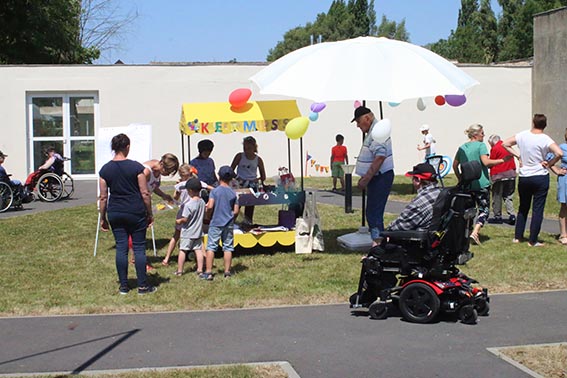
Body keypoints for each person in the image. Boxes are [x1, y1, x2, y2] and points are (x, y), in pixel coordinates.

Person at [98, 133, 156, 295]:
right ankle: (143, 285)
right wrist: (149, 213)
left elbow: (103, 196)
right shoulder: (136, 168)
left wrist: (103, 217)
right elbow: (145, 193)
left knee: (121, 248)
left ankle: (124, 285)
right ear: (127, 147)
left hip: (115, 211)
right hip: (135, 211)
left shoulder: (105, 169)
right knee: (138, 248)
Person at [503, 114, 563, 247]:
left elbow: (505, 143)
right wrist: (549, 162)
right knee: (537, 209)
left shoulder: (523, 135)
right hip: (540, 175)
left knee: (523, 207)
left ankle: (518, 237)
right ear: (545, 125)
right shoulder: (545, 138)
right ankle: (532, 240)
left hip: (525, 175)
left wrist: (518, 155)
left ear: (533, 123)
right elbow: (559, 153)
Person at [453, 124, 512, 245]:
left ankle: (465, 234)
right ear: (476, 134)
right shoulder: (481, 146)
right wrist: (502, 160)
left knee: (468, 210)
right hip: (481, 183)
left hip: (467, 185)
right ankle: (475, 231)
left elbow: (455, 165)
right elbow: (486, 162)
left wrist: (460, 177)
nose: (483, 136)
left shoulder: (462, 148)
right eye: (482, 133)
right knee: (484, 209)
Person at [352, 106, 394, 246]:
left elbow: (380, 157)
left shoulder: (377, 132)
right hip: (378, 178)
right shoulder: (374, 131)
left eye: (358, 121)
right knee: (373, 211)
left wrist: (366, 178)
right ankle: (379, 243)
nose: (358, 126)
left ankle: (378, 245)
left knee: (374, 213)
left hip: (380, 177)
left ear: (367, 118)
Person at [201, 166, 239, 281]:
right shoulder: (233, 193)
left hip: (216, 222)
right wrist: (232, 217)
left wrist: (208, 215)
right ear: (231, 179)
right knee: (228, 247)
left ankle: (208, 272)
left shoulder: (214, 192)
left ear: (219, 177)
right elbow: (236, 211)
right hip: (228, 223)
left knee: (211, 247)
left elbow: (210, 206)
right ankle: (227, 272)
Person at [388, 163, 441, 231]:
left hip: (418, 237)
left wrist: (387, 230)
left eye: (413, 178)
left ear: (418, 180)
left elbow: (400, 226)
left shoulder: (419, 203)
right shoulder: (442, 193)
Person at [173, 177, 206, 276]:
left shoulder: (188, 205)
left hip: (187, 232)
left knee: (183, 250)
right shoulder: (202, 202)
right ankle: (200, 269)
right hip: (198, 231)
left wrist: (179, 221)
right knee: (198, 250)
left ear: (190, 191)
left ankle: (179, 270)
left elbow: (185, 219)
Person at [230, 136, 266, 222]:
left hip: (252, 185)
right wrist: (237, 178)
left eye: (249, 148)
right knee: (236, 205)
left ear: (254, 147)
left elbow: (263, 175)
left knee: (249, 207)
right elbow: (231, 169)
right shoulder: (239, 156)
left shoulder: (258, 159)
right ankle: (231, 222)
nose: (247, 150)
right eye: (245, 148)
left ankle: (248, 223)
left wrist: (257, 180)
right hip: (240, 184)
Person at [487, 134, 517, 225]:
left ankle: (497, 216)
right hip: (511, 174)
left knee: (497, 196)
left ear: (492, 142)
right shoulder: (508, 146)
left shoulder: (495, 148)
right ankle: (512, 215)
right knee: (508, 196)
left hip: (499, 175)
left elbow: (491, 162)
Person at [555, 129, 567, 245]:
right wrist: (556, 170)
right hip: (565, 179)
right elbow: (549, 157)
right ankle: (563, 233)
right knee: (564, 206)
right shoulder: (562, 147)